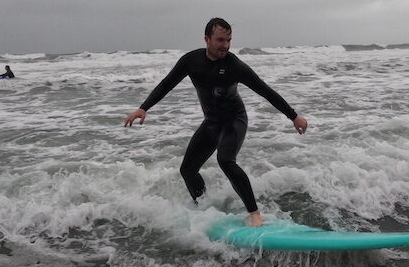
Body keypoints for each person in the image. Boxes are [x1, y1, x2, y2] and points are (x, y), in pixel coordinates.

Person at [123, 18, 307, 227]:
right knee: (188, 169)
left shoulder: (234, 65)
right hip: (211, 123)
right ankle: (204, 208)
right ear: (207, 39)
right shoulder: (190, 61)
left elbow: (264, 90)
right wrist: (143, 108)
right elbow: (167, 84)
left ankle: (254, 213)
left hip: (234, 120)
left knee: (225, 160)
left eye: (229, 40)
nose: (225, 45)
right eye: (220, 40)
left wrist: (293, 116)